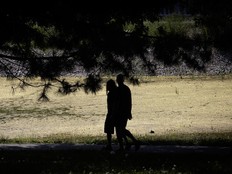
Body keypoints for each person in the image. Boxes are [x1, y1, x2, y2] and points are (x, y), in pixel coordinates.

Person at [115, 74, 140, 151]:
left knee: (120, 129)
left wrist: (128, 112)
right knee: (121, 129)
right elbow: (129, 102)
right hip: (123, 112)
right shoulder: (125, 89)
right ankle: (128, 143)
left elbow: (126, 102)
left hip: (121, 112)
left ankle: (132, 142)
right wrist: (129, 112)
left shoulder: (119, 89)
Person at [104, 79, 117, 151]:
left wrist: (112, 114)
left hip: (111, 113)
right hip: (111, 113)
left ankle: (109, 145)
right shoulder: (113, 93)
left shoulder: (112, 94)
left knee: (108, 130)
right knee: (120, 130)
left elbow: (113, 104)